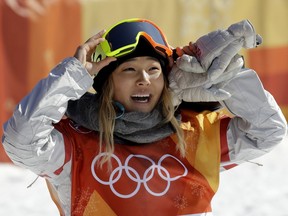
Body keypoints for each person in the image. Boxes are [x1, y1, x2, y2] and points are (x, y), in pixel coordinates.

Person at [2, 18, 287, 216]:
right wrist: (72, 75)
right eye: (128, 70)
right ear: (106, 83)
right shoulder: (74, 145)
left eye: (154, 70)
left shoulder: (195, 135)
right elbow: (21, 142)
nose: (143, 80)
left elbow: (268, 131)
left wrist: (225, 78)